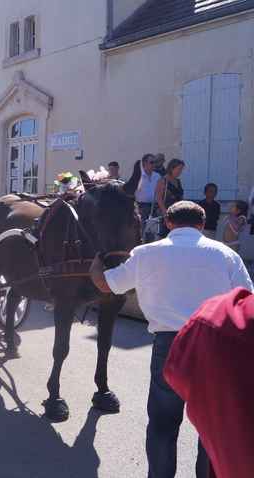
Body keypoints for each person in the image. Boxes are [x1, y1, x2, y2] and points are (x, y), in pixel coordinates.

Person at [89, 201, 253, 478]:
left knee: (163, 426)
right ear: (202, 225)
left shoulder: (146, 253)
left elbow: (108, 284)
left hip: (169, 346)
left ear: (168, 223)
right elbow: (246, 300)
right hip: (215, 346)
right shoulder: (226, 255)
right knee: (212, 427)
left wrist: (95, 266)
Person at [164, 287, 254, 478]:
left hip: (190, 342)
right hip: (206, 341)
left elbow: (112, 284)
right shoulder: (230, 257)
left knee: (163, 424)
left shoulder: (216, 316)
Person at [155, 158, 185, 237]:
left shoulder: (178, 181)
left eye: (181, 170)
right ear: (172, 168)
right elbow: (159, 199)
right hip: (166, 214)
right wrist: (165, 214)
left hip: (177, 214)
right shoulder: (162, 180)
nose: (180, 172)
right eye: (178, 169)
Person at [136, 154, 161, 241]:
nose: (154, 164)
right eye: (151, 162)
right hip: (142, 207)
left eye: (155, 162)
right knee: (143, 229)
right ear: (144, 164)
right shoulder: (138, 176)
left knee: (154, 230)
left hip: (155, 206)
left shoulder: (157, 176)